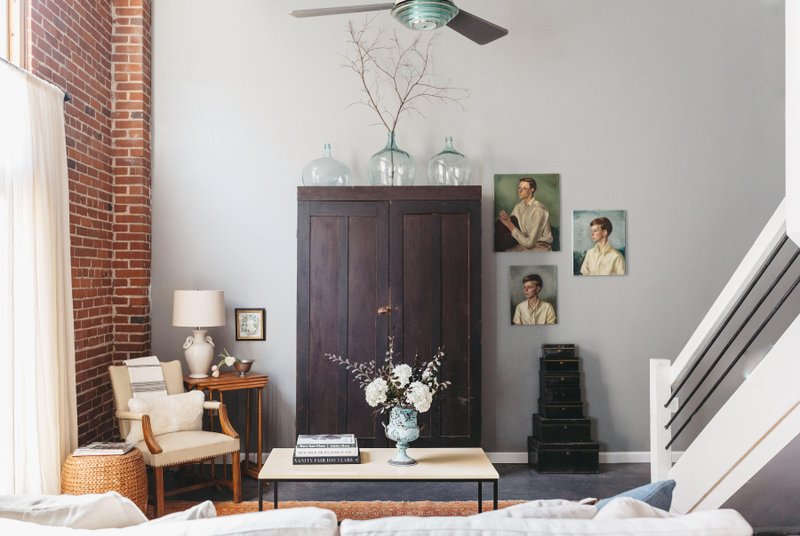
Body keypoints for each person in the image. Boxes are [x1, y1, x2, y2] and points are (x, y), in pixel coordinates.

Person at [498, 178, 553, 252]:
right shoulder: (518, 207)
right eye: (519, 188)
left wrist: (509, 224)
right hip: (522, 244)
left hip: (540, 247)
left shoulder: (539, 210)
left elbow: (530, 244)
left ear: (532, 190)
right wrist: (506, 221)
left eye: (524, 188)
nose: (520, 191)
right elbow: (513, 229)